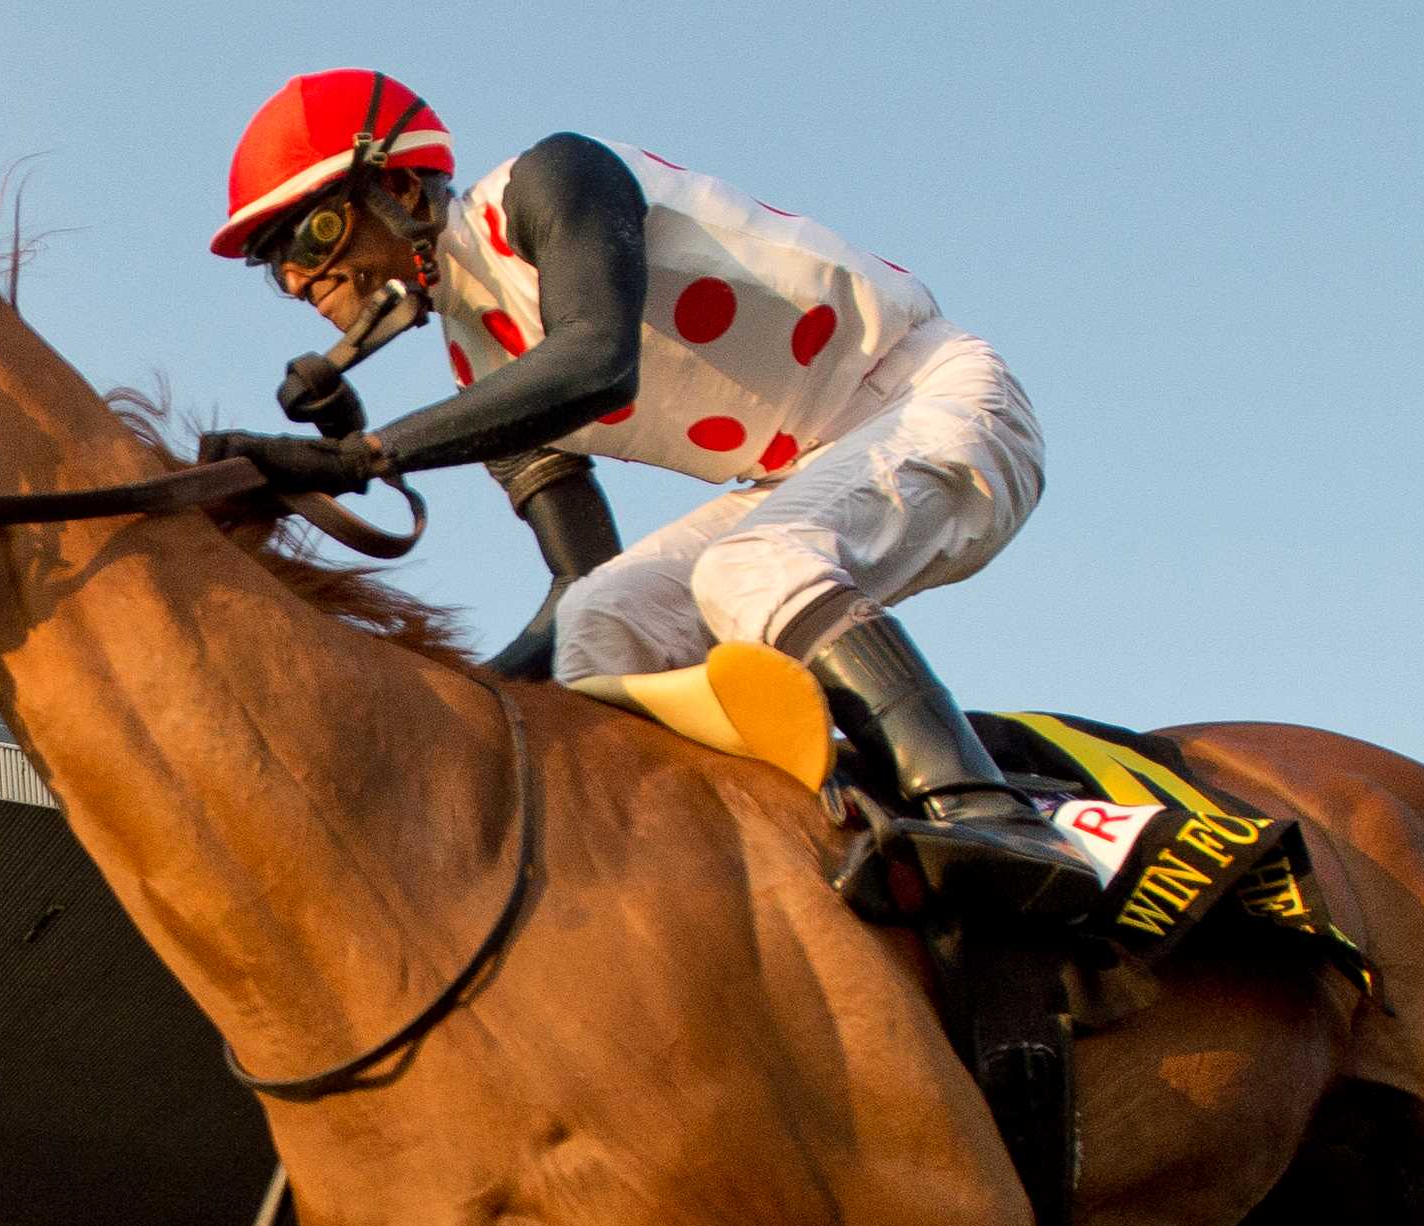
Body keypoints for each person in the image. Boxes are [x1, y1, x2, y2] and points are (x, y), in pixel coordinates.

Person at [202, 69, 1096, 913]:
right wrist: (453, 702)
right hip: (804, 473)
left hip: (935, 398)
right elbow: (577, 575)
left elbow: (596, 360)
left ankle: (991, 815)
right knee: (603, 625)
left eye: (314, 235)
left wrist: (360, 457)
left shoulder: (550, 179)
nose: (300, 280)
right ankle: (788, 842)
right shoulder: (481, 362)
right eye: (275, 265)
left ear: (399, 190)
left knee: (752, 568)